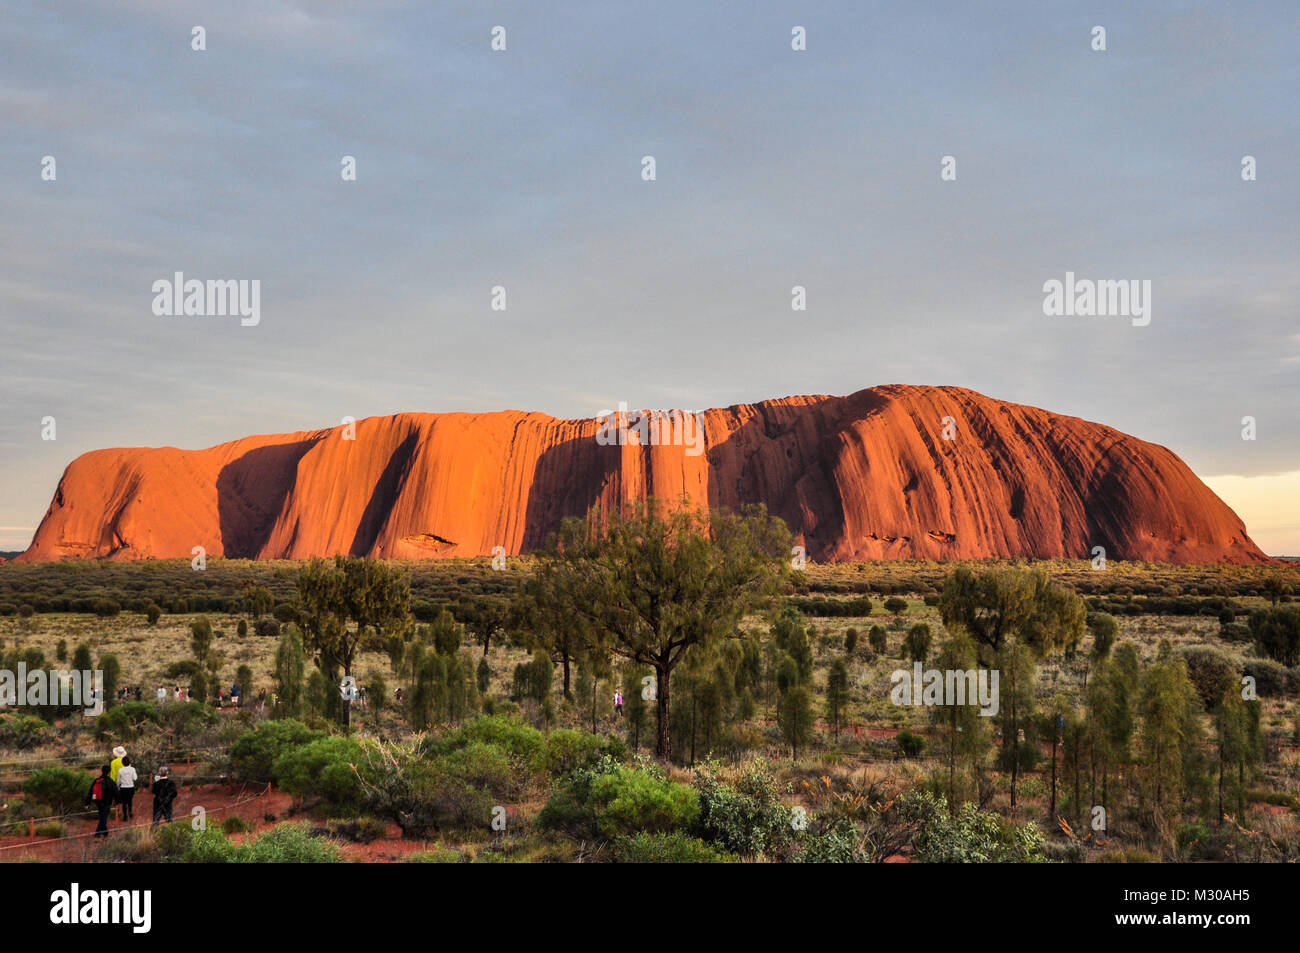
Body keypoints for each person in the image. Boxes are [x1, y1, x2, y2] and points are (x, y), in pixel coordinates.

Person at [86, 765, 118, 838]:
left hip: (98, 801)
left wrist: (87, 803)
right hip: (107, 802)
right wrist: (117, 802)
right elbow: (116, 792)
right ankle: (97, 835)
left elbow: (90, 791)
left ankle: (105, 832)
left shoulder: (96, 780)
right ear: (109, 772)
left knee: (102, 817)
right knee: (103, 819)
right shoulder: (111, 782)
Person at [117, 756, 137, 821]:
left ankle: (125, 816)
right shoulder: (132, 769)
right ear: (129, 762)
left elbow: (118, 781)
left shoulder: (120, 770)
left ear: (122, 763)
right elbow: (135, 778)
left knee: (124, 802)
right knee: (130, 800)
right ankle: (130, 812)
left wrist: (118, 786)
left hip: (123, 788)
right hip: (131, 787)